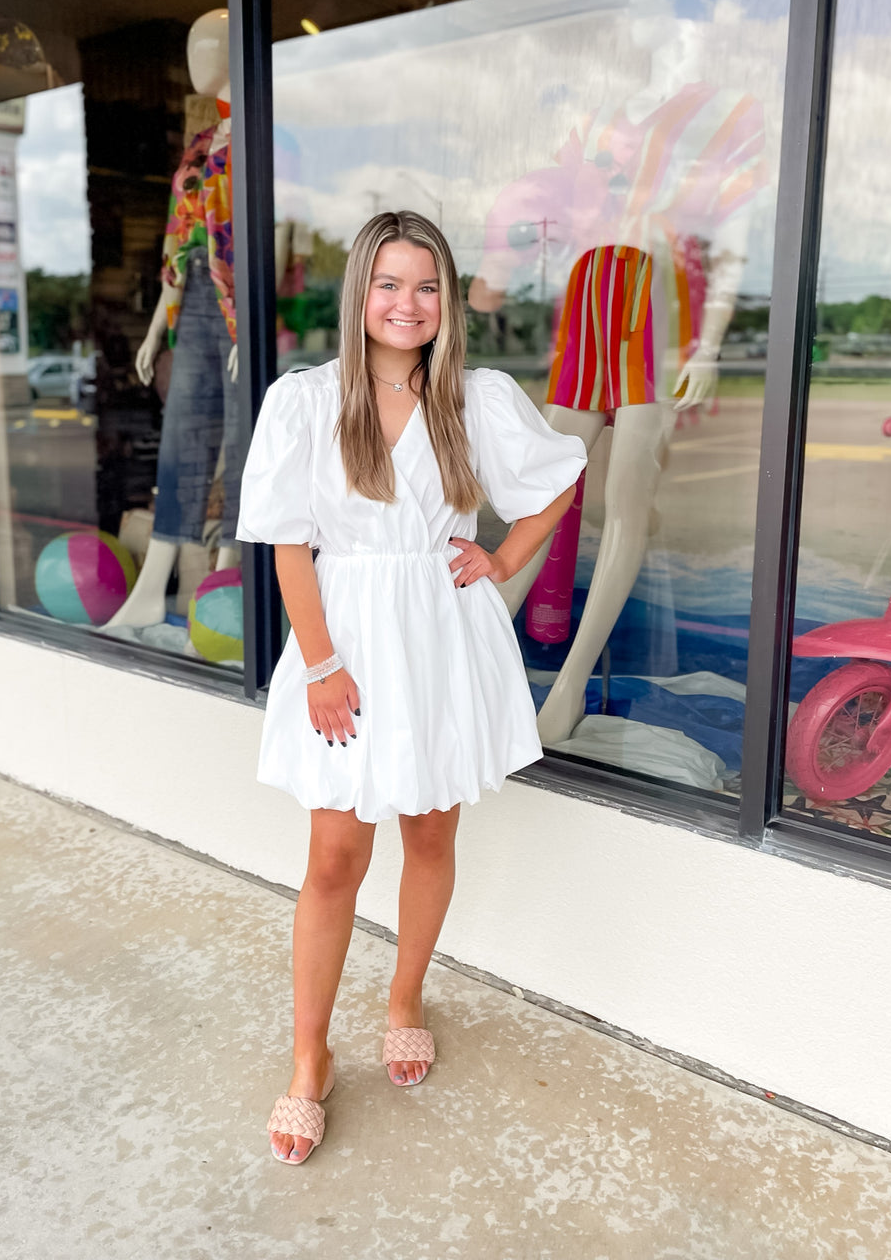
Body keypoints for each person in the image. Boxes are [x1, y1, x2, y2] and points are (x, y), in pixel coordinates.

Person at [235, 211, 587, 1164]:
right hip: (344, 636)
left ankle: (405, 998)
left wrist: (506, 554)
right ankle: (309, 1057)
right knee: (335, 856)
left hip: (441, 635)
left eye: (427, 285)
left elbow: (561, 472)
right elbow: (285, 546)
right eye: (389, 284)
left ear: (448, 299)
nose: (407, 303)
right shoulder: (306, 401)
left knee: (431, 829)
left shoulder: (475, 396)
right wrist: (319, 662)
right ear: (361, 293)